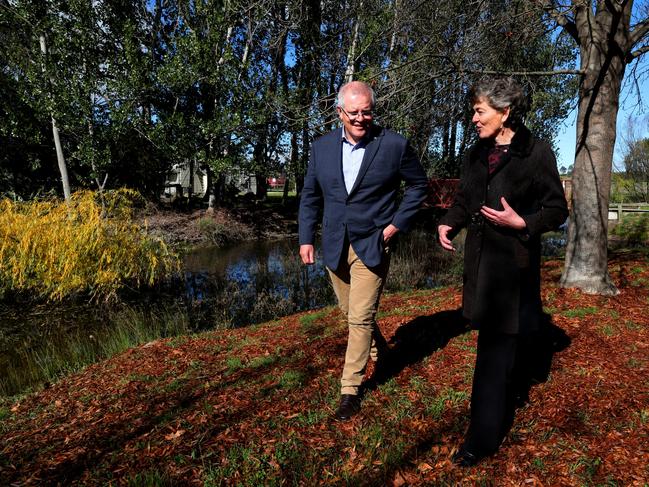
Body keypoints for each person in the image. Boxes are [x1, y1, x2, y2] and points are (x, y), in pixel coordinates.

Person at [438, 77, 568, 466]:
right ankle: (492, 415)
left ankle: (481, 439)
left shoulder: (537, 153)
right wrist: (449, 222)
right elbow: (466, 198)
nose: (474, 119)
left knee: (492, 354)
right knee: (496, 350)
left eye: (480, 111)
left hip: (512, 271)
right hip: (480, 269)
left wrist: (522, 222)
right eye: (474, 111)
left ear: (504, 112)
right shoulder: (476, 153)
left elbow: (557, 210)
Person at [299, 81, 428, 421]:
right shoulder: (321, 148)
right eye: (353, 112)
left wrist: (394, 225)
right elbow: (311, 195)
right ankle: (381, 352)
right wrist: (305, 239)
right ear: (339, 112)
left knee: (358, 318)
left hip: (373, 243)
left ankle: (350, 391)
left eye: (366, 111)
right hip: (334, 244)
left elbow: (419, 185)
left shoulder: (394, 145)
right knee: (351, 313)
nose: (360, 118)